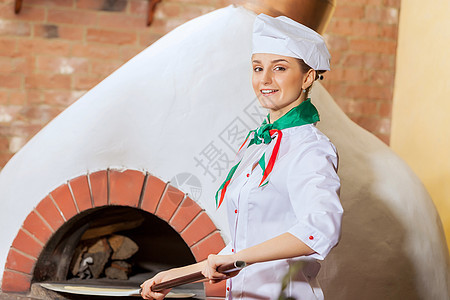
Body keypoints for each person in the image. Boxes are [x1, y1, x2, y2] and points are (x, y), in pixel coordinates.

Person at [141, 13, 343, 300]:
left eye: (280, 68)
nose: (265, 79)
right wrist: (176, 275)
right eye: (258, 68)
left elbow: (321, 228)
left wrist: (240, 259)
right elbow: (245, 244)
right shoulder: (259, 146)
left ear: (307, 77)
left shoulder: (311, 148)